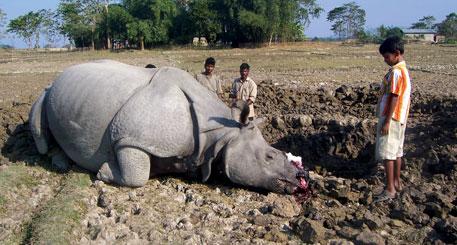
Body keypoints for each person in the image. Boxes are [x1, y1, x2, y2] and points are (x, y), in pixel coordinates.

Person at [374, 36, 412, 202]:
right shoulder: (403, 70)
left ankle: (389, 189)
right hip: (400, 117)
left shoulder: (396, 72)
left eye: (387, 57)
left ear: (397, 54)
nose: (385, 60)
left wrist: (387, 121)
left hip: (392, 117)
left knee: (388, 153)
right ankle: (396, 183)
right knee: (397, 151)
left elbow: (394, 96)